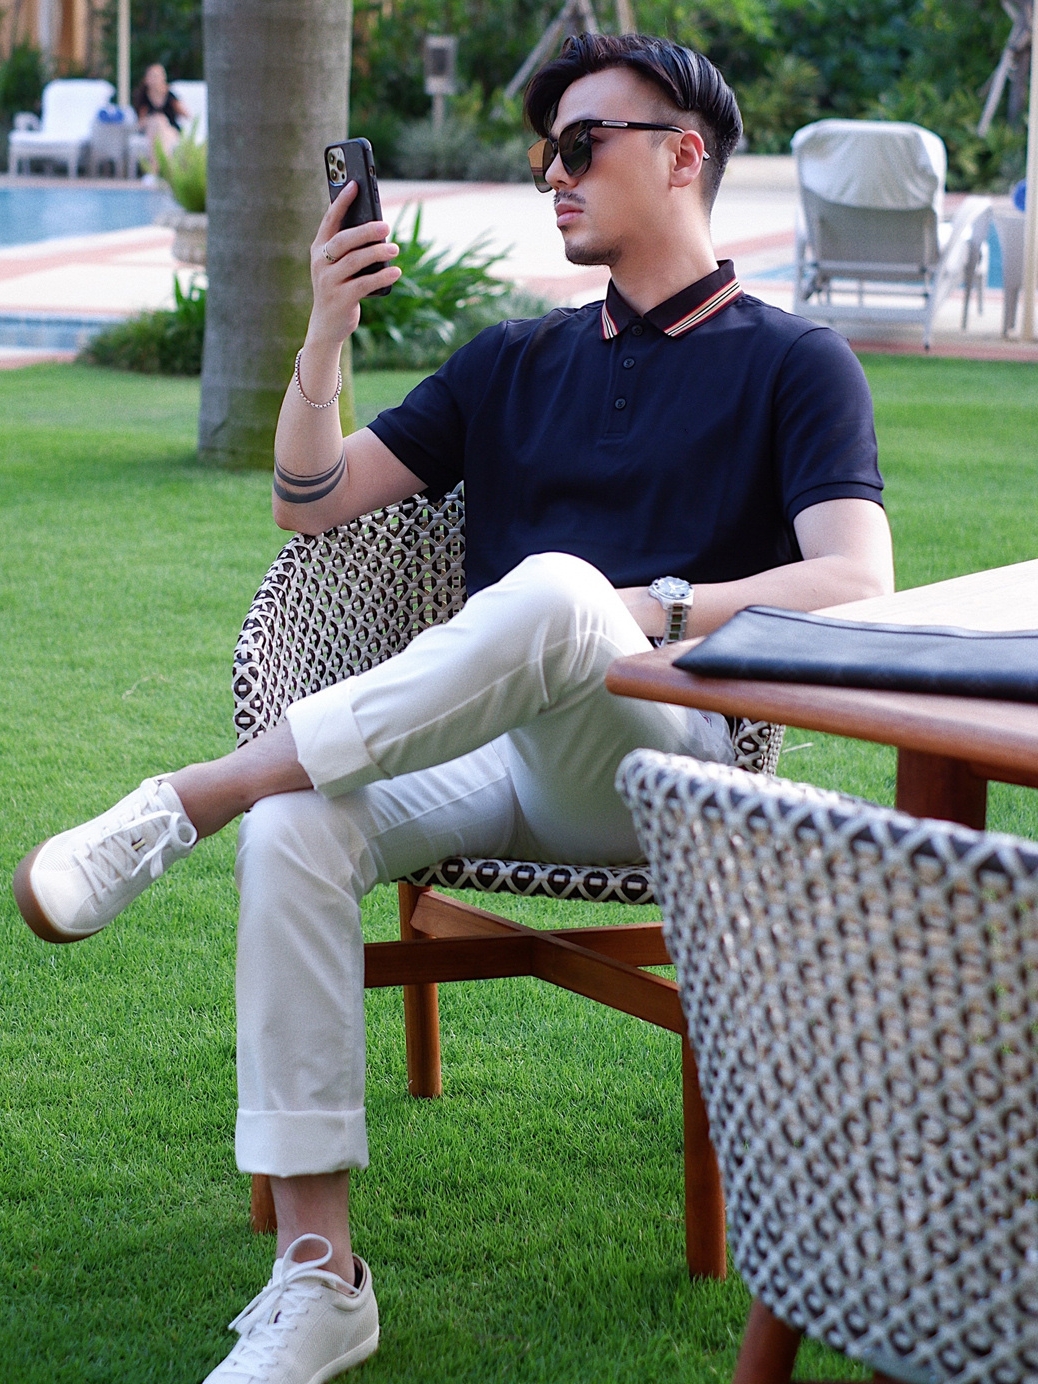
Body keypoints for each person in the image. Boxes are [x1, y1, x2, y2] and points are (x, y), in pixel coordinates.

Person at [13, 33, 894, 1384]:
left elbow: (852, 579)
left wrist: (644, 608)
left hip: (667, 760)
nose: (554, 171)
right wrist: (325, 331)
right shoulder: (512, 359)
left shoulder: (795, 361)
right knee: (297, 829)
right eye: (547, 151)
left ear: (682, 154)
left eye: (582, 144)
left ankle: (192, 795)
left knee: (558, 591)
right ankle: (320, 1277)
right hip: (496, 751)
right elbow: (308, 501)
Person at [132, 62, 188, 161]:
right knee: (157, 123)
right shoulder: (143, 97)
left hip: (169, 130)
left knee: (162, 129)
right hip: (150, 130)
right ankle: (164, 167)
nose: (155, 79)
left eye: (157, 76)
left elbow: (186, 114)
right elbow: (141, 122)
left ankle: (155, 167)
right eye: (152, 76)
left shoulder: (170, 96)